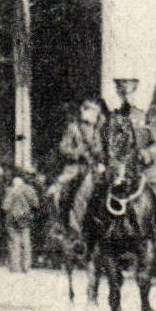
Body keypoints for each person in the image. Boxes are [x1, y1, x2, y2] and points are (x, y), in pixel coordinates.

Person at [73, 78, 156, 261]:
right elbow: (99, 144)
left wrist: (145, 155)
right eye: (122, 93)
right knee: (90, 191)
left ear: (136, 93)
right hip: (115, 168)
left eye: (129, 93)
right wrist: (103, 159)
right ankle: (84, 240)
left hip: (144, 168)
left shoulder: (149, 117)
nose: (126, 97)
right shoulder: (109, 119)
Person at [52, 97, 104, 235]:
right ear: (83, 110)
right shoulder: (73, 128)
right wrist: (77, 152)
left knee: (94, 192)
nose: (94, 114)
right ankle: (61, 224)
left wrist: (96, 151)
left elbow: (99, 149)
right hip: (73, 168)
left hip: (90, 168)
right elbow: (63, 148)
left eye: (96, 111)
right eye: (91, 110)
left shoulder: (95, 130)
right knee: (56, 191)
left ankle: (87, 224)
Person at [2, 172, 41, 273]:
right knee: (26, 242)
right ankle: (26, 266)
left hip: (12, 219)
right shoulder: (29, 190)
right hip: (25, 218)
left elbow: (5, 207)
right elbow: (36, 204)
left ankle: (15, 267)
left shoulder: (10, 191)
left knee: (14, 242)